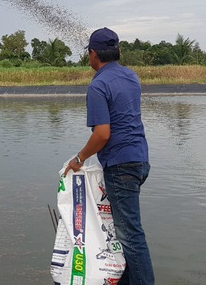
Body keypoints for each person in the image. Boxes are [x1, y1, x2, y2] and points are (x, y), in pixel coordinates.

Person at [64, 27, 155, 284]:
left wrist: (79, 159)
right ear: (118, 51)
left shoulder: (99, 85)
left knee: (130, 235)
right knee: (122, 231)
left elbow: (102, 134)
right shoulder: (131, 76)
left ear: (94, 54)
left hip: (120, 166)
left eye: (89, 54)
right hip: (140, 160)